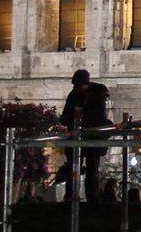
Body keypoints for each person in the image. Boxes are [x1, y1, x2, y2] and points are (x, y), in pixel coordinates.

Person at [59, 69, 111, 204]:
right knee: (74, 167)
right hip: (79, 135)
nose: (76, 88)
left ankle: (91, 196)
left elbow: (99, 116)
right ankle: (72, 195)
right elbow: (65, 115)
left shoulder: (98, 94)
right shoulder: (75, 94)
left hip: (91, 135)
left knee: (91, 168)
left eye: (78, 85)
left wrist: (81, 116)